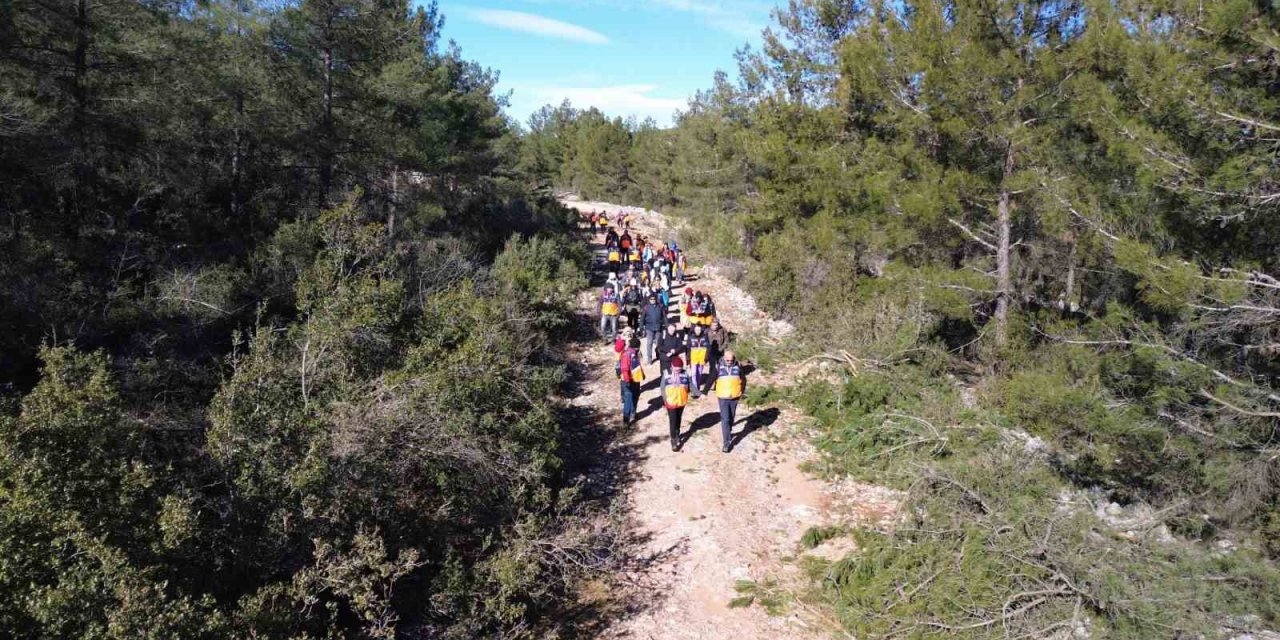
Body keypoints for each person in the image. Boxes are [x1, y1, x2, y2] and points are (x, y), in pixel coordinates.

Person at [715, 351, 745, 453]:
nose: (729, 362)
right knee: (725, 419)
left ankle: (729, 431)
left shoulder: (738, 367)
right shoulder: (718, 367)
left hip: (734, 396)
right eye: (727, 360)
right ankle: (726, 443)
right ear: (724, 359)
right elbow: (711, 377)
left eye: (731, 360)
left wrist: (742, 391)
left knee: (731, 417)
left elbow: (743, 379)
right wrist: (704, 392)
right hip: (723, 396)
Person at [616, 337, 645, 427]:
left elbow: (637, 367)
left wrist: (642, 375)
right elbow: (625, 369)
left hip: (635, 380)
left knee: (636, 396)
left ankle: (633, 413)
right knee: (628, 399)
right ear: (636, 346)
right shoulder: (627, 355)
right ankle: (626, 420)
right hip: (628, 381)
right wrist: (627, 381)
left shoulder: (634, 354)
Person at [664, 356, 692, 452]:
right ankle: (673, 441)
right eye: (676, 369)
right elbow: (662, 388)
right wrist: (665, 399)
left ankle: (677, 434)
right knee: (673, 420)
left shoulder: (685, 374)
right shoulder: (666, 374)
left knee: (678, 419)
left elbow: (690, 386)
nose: (677, 371)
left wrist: (701, 394)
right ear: (672, 367)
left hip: (681, 401)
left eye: (679, 369)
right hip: (670, 402)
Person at [657, 323, 686, 394]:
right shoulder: (663, 334)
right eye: (670, 330)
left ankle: (673, 387)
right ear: (668, 329)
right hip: (665, 357)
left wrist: (674, 351)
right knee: (664, 373)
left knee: (674, 373)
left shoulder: (677, 335)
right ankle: (663, 388)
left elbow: (680, 346)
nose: (672, 332)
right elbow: (659, 346)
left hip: (674, 358)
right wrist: (668, 351)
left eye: (673, 330)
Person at [687, 323, 712, 397]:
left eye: (699, 330)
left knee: (699, 374)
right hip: (693, 358)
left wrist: (706, 358)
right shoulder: (690, 337)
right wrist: (688, 359)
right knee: (694, 374)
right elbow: (688, 349)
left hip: (702, 359)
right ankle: (695, 390)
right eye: (696, 329)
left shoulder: (705, 337)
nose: (698, 331)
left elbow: (708, 348)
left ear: (701, 330)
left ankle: (697, 386)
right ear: (694, 330)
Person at [641, 293, 666, 363]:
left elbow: (664, 317)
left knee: (659, 342)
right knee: (649, 342)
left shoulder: (660, 306)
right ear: (649, 300)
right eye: (651, 299)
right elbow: (642, 318)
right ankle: (649, 358)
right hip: (649, 327)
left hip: (658, 327)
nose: (653, 300)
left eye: (654, 299)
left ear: (656, 299)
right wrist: (641, 327)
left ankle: (659, 355)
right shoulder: (646, 307)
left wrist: (667, 325)